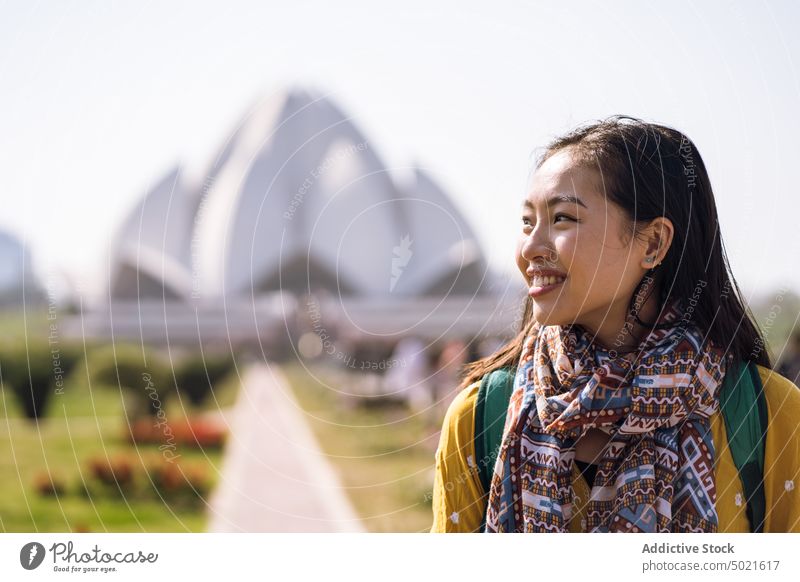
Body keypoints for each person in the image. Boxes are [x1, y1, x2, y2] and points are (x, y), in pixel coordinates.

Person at [430, 116, 800, 533]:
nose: (530, 248)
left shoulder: (768, 413)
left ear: (654, 243)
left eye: (563, 219)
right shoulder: (481, 416)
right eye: (527, 222)